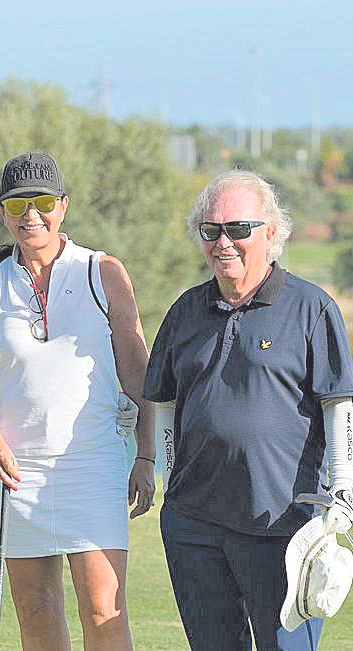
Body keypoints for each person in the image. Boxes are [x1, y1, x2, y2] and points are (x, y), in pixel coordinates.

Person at [144, 170, 353, 651]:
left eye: (238, 229)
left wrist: (341, 489)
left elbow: (337, 403)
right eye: (211, 230)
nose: (224, 242)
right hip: (195, 525)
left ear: (271, 232)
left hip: (284, 525)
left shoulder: (311, 307)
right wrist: (171, 482)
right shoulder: (185, 311)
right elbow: (168, 402)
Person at [0, 152, 154, 650]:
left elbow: (140, 374)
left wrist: (148, 457)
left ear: (62, 206)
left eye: (43, 201)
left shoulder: (102, 270)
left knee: (103, 609)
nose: (31, 215)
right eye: (18, 204)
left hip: (92, 463)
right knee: (37, 612)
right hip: (16, 469)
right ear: (3, 212)